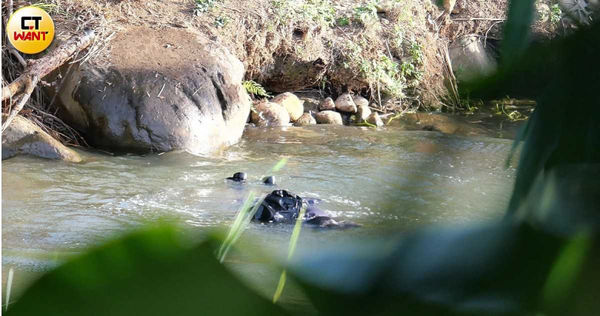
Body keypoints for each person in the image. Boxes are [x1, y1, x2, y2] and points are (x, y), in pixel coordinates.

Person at [225, 172, 359, 228]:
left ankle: (243, 183)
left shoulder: (314, 215)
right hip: (286, 208)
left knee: (246, 202)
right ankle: (262, 184)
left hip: (283, 207)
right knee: (248, 202)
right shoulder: (313, 215)